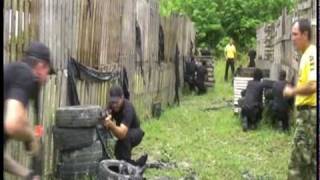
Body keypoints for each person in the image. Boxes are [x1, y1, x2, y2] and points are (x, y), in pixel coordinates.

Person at [4, 42, 54, 180]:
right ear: (41, 66)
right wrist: (31, 136)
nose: (46, 79)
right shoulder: (24, 73)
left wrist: (28, 175)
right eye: (48, 73)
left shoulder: (12, 79)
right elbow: (13, 124)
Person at [283, 19, 316, 180]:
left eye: (295, 34)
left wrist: (292, 91)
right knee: (310, 166)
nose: (293, 38)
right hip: (307, 115)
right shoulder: (305, 56)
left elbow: (313, 85)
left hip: (309, 116)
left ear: (305, 34)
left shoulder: (311, 55)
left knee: (297, 166)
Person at [104, 86, 148, 167]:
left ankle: (130, 166)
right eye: (112, 102)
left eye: (116, 102)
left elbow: (122, 134)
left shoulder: (128, 108)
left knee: (124, 139)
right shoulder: (111, 106)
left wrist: (110, 124)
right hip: (124, 133)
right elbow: (106, 119)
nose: (114, 105)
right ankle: (134, 164)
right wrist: (105, 120)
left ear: (122, 98)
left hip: (136, 133)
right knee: (118, 152)